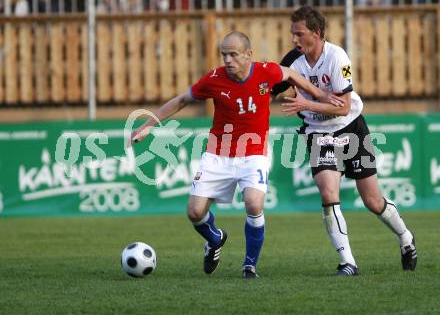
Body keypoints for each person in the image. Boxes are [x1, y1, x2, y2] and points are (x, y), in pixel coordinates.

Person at [129, 31, 343, 279]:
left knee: (254, 203)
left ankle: (249, 265)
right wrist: (149, 125)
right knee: (195, 212)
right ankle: (215, 238)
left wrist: (320, 95)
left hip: (253, 152)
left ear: (248, 55)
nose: (227, 60)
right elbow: (182, 100)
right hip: (218, 153)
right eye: (224, 55)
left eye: (233, 54)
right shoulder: (214, 79)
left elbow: (292, 74)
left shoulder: (267, 72)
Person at [279, 6, 417, 276]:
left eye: (299, 34)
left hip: (351, 127)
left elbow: (342, 107)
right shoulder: (293, 61)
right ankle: (348, 262)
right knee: (328, 193)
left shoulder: (337, 56)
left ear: (316, 33)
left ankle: (406, 238)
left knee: (373, 201)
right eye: (292, 34)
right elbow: (267, 86)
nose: (294, 40)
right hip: (319, 134)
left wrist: (306, 103)